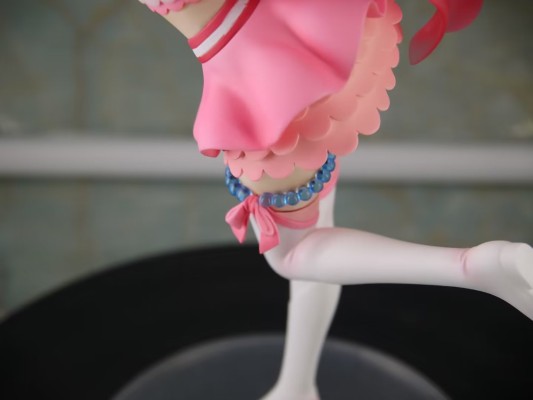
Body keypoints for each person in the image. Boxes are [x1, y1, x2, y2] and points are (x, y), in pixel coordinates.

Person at [137, 1, 533, 399]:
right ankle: (296, 387)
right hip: (328, 35)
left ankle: (473, 267)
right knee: (316, 240)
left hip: (272, 87)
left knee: (293, 256)